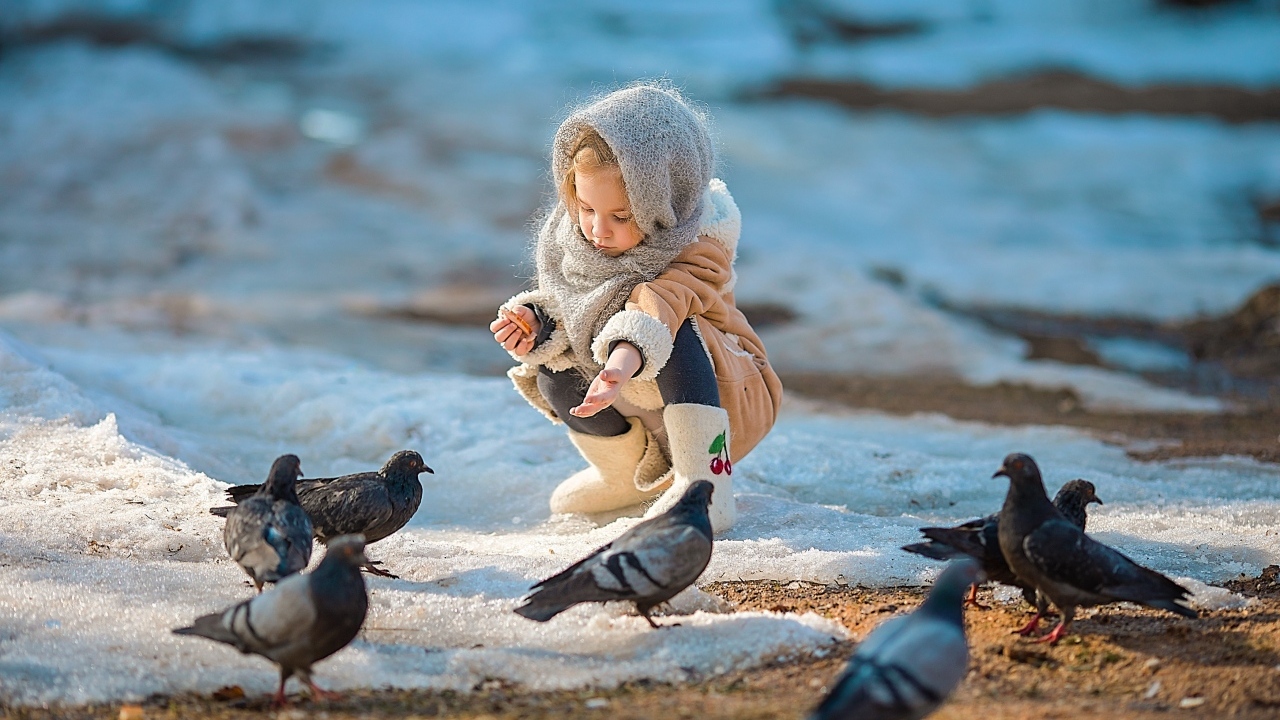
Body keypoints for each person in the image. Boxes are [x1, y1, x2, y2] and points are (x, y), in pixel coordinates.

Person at [489, 83, 782, 534]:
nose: (596, 230)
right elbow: (574, 306)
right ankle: (624, 476)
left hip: (727, 391)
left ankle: (706, 488)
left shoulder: (700, 243)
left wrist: (621, 362)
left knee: (675, 328)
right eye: (586, 208)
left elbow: (660, 305)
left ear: (666, 198)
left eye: (620, 217)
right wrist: (537, 322)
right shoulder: (572, 237)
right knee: (553, 364)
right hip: (635, 391)